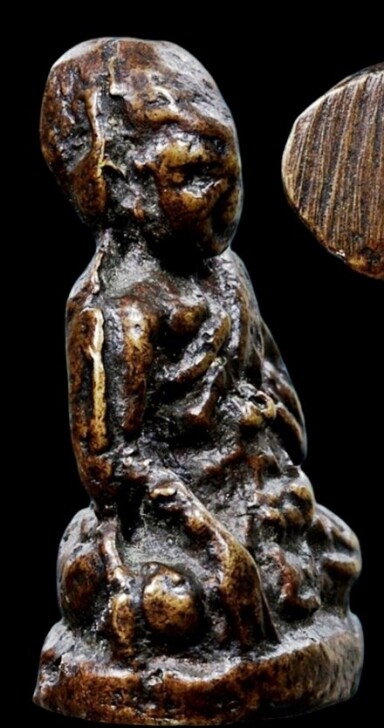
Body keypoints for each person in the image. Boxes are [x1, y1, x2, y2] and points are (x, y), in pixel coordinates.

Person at [42, 39, 359, 657]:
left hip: (255, 488)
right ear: (126, 187)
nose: (224, 195)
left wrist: (266, 418)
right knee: (177, 606)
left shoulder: (229, 278)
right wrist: (209, 536)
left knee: (340, 555)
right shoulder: (115, 310)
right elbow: (109, 467)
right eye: (193, 175)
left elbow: (275, 387)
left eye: (233, 172)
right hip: (175, 516)